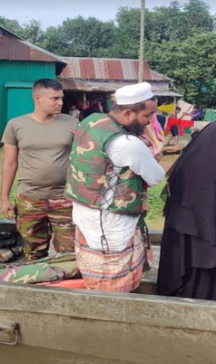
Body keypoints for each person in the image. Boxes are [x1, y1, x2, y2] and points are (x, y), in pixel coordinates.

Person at [65, 82, 165, 292]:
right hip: (111, 224)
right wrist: (154, 156)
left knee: (94, 272)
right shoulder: (127, 143)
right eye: (147, 116)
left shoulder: (90, 121)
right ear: (128, 113)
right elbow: (156, 177)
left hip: (84, 214)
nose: (149, 122)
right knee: (114, 282)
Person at [156, 121, 216, 301]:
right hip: (209, 238)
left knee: (185, 278)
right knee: (205, 284)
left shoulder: (186, 160)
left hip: (182, 236)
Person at [0, 79, 77, 261]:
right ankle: (35, 286)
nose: (60, 103)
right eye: (54, 98)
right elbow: (10, 163)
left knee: (69, 253)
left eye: (61, 98)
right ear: (37, 98)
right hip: (30, 199)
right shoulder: (16, 124)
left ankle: (63, 289)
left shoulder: (72, 123)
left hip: (64, 199)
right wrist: (4, 198)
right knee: (32, 251)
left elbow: (84, 158)